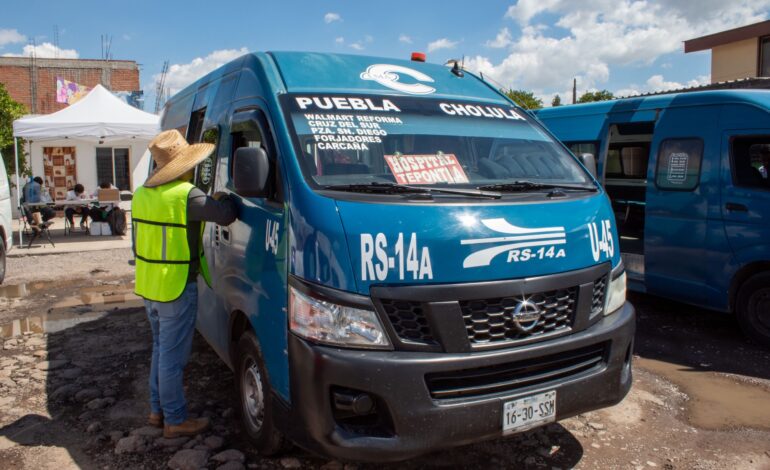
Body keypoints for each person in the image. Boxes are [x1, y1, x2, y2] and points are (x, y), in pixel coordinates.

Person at [133, 129, 238, 438]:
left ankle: (157, 411)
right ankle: (176, 420)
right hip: (176, 286)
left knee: (160, 351)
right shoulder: (186, 195)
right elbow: (225, 215)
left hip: (149, 285)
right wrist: (225, 197)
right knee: (172, 359)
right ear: (182, 165)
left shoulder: (141, 193)